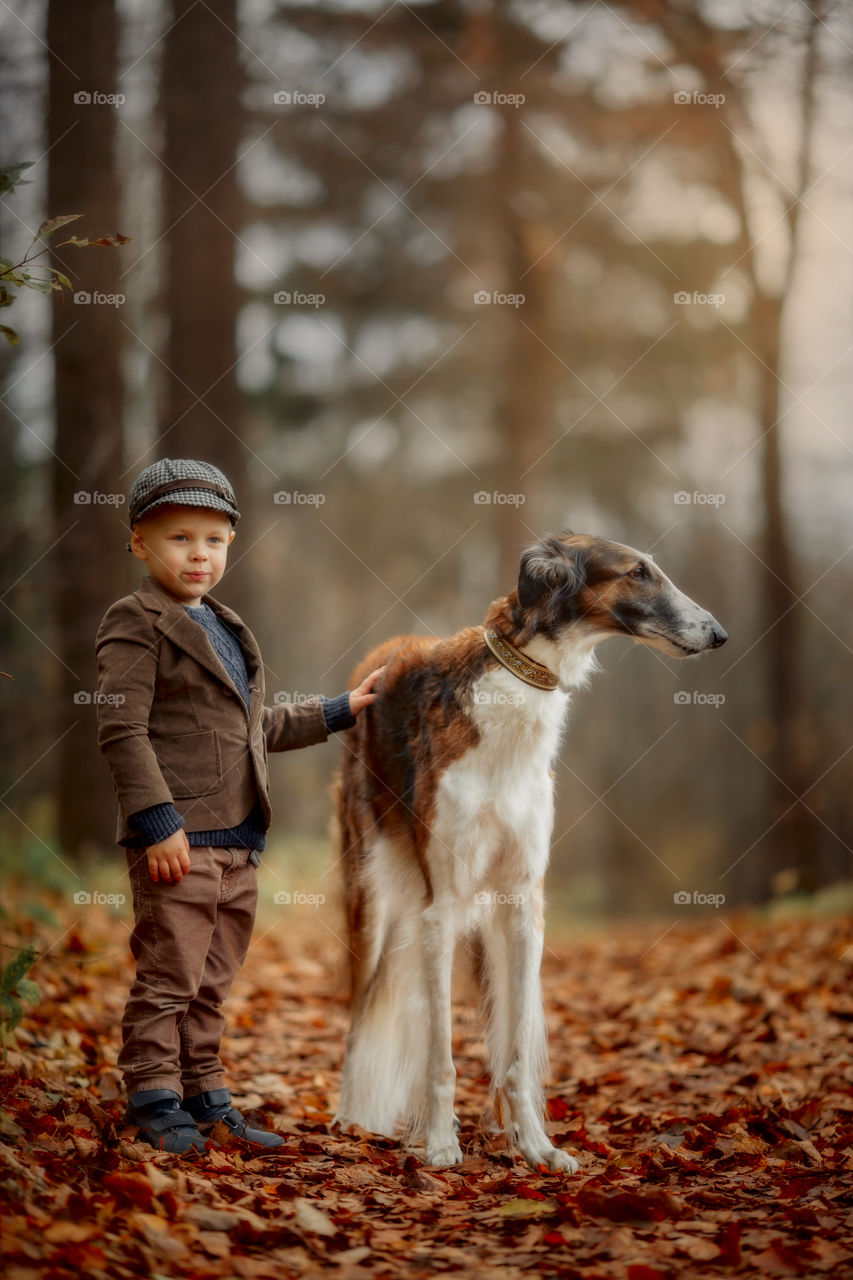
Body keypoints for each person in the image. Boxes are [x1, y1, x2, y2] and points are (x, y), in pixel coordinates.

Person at [95, 458, 382, 1153]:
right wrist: (158, 823)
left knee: (211, 984)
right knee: (169, 977)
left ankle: (204, 1095)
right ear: (139, 542)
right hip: (178, 846)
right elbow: (120, 727)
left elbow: (255, 730)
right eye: (179, 538)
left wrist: (341, 710)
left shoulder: (224, 624)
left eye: (214, 540)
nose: (199, 554)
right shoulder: (135, 620)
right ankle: (154, 1097)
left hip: (239, 844)